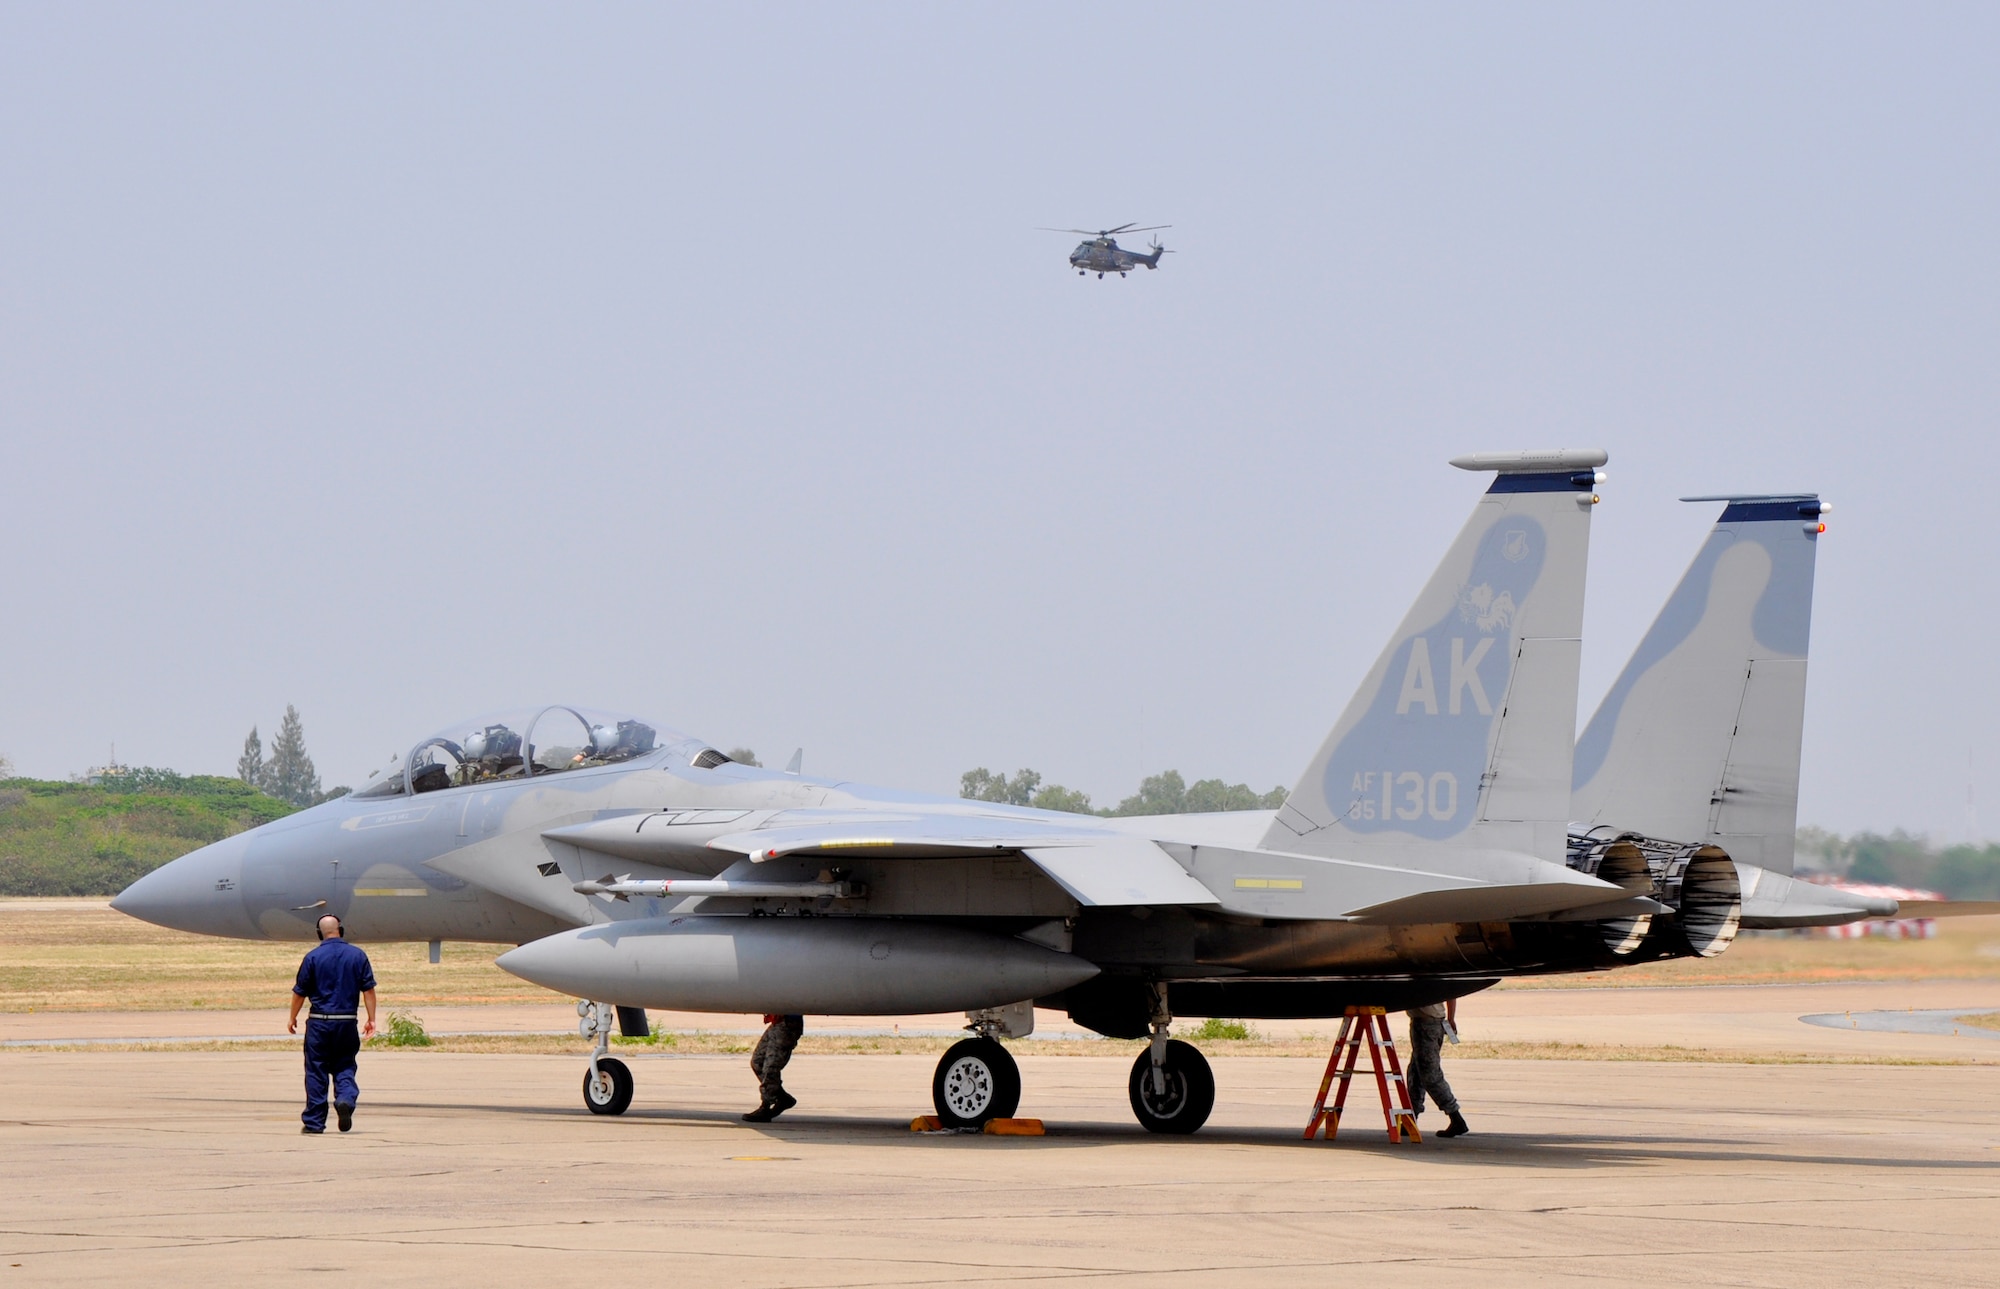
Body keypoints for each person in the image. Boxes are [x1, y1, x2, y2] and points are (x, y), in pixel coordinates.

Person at [287, 914, 378, 1135]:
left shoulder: (313, 957)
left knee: (316, 1070)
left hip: (319, 1023)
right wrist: (371, 1018)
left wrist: (292, 1017)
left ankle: (314, 1122)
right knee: (345, 1065)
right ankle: (345, 1099)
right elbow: (368, 990)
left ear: (319, 933)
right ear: (341, 930)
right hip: (347, 1021)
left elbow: (300, 992)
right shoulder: (358, 955)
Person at [1406, 997, 1469, 1138]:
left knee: (1430, 1074)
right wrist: (1451, 1019)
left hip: (1427, 1023)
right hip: (1427, 1021)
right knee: (1415, 1073)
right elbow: (1451, 993)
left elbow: (1450, 992)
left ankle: (1456, 1117)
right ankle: (1410, 1119)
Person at [743, 1013, 804, 1122]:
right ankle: (781, 1097)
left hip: (787, 1024)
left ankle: (765, 1106)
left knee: (770, 1068)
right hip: (777, 1022)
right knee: (757, 1062)